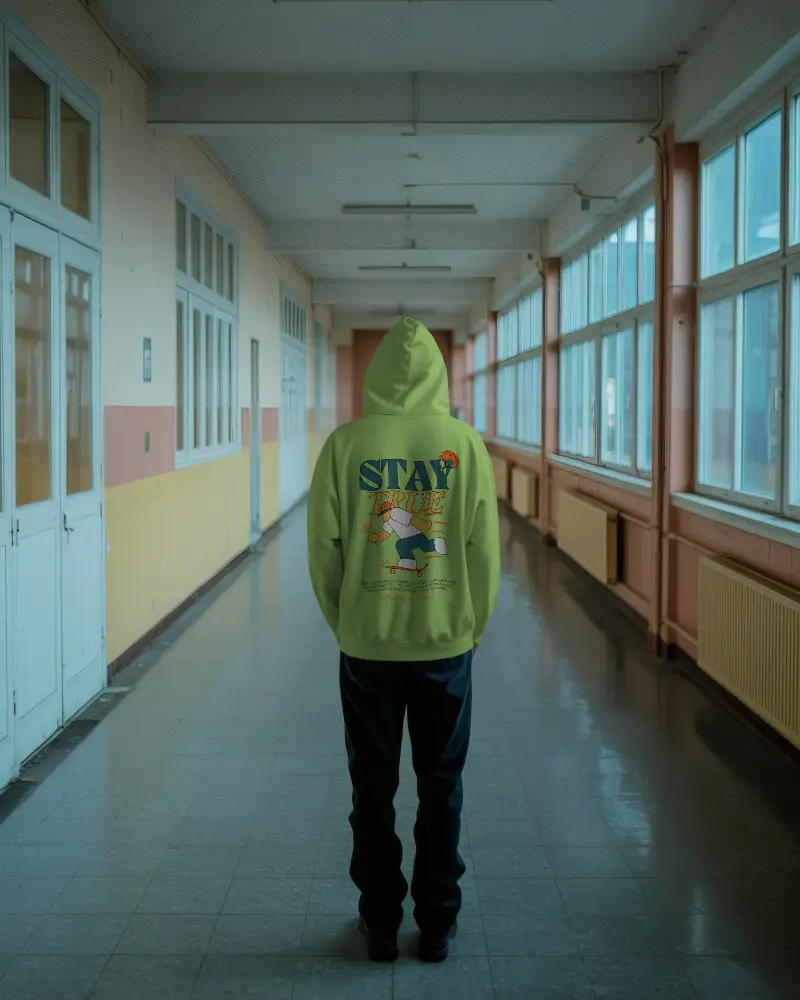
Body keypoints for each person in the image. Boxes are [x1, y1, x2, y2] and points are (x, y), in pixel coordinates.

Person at [307, 316, 500, 964]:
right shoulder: (464, 444)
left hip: (368, 651)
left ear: (377, 373)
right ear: (439, 375)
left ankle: (382, 923)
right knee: (442, 786)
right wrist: (471, 626)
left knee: (372, 788)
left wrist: (350, 622)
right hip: (446, 646)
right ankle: (438, 923)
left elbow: (324, 553)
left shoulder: (345, 445)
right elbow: (482, 552)